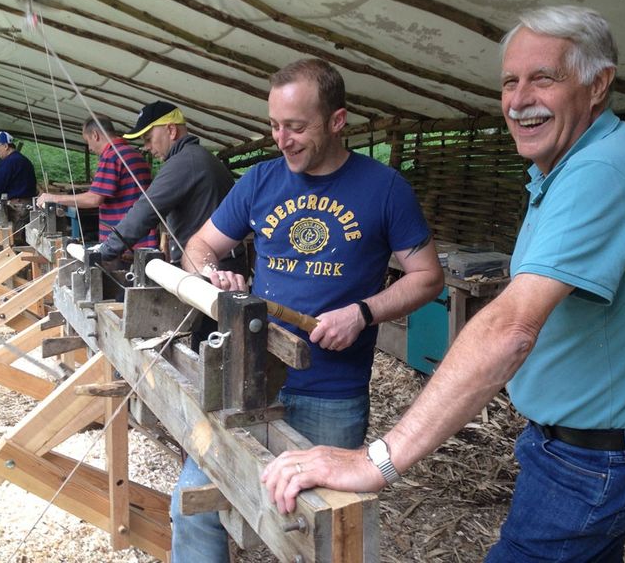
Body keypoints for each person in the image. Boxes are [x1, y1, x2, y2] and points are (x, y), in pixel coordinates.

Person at [261, 7, 625, 562]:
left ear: (599, 85)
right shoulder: (573, 165)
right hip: (586, 446)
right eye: (510, 82)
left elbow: (510, 329)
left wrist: (376, 458)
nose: (520, 99)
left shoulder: (602, 174)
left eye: (543, 78)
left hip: (597, 458)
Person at [180, 58, 444, 562]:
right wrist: (213, 274)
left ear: (338, 122)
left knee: (317, 537)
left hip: (331, 394)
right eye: (276, 126)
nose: (282, 139)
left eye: (297, 127)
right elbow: (198, 246)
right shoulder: (259, 180)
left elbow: (427, 276)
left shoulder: (384, 188)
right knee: (194, 513)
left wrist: (362, 313)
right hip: (249, 380)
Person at [97, 101, 243, 273]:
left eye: (148, 139)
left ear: (171, 130)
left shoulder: (186, 161)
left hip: (213, 268)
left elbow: (146, 210)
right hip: (215, 262)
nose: (147, 147)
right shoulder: (196, 157)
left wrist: (104, 251)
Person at [36, 115, 156, 251]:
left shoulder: (111, 156)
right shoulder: (134, 154)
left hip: (123, 244)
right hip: (143, 239)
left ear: (95, 135)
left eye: (88, 141)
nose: (90, 148)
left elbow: (94, 199)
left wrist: (53, 198)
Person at [0, 131, 38, 232]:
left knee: (11, 241)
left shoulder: (10, 162)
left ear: (5, 146)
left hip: (18, 207)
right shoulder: (19, 159)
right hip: (24, 205)